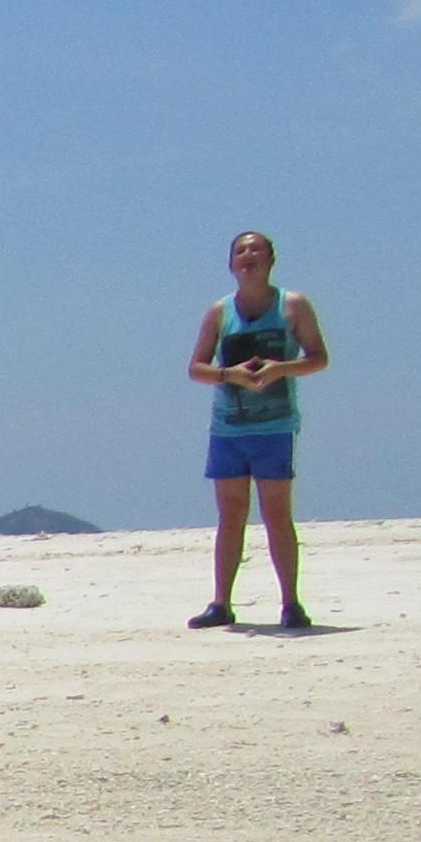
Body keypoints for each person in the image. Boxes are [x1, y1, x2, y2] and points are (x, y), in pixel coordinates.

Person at [188, 228, 330, 631]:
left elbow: (319, 357)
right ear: (231, 263)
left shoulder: (293, 306)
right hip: (229, 427)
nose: (248, 256)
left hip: (275, 424)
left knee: (276, 513)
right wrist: (227, 374)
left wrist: (280, 369)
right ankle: (221, 603)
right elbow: (195, 368)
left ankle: (291, 603)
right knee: (230, 514)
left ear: (270, 259)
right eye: (240, 251)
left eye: (256, 250)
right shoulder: (219, 312)